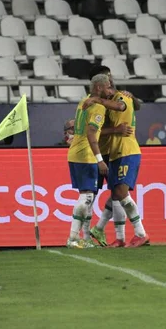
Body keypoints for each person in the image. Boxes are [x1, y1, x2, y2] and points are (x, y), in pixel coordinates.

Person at [84, 74, 150, 248]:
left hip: (126, 151)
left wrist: (98, 100)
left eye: (107, 88)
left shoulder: (121, 97)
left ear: (109, 87)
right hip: (115, 152)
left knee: (121, 193)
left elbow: (121, 106)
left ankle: (140, 233)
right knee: (115, 194)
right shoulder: (110, 102)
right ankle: (118, 237)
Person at [66, 74, 115, 249]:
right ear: (99, 88)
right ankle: (72, 238)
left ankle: (85, 238)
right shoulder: (98, 108)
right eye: (108, 87)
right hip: (86, 155)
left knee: (88, 197)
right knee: (86, 196)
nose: (111, 90)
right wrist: (100, 160)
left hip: (75, 153)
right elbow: (92, 134)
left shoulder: (84, 101)